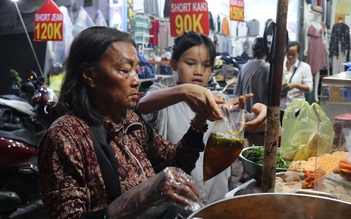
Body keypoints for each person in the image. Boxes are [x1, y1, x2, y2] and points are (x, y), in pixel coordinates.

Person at [37, 26, 225, 219]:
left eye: (136, 70)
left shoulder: (131, 122)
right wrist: (144, 196)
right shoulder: (65, 137)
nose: (136, 81)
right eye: (125, 70)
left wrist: (200, 119)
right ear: (89, 74)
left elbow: (176, 161)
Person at [136, 31, 267, 203]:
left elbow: (244, 117)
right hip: (175, 201)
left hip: (216, 197)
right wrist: (184, 91)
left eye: (206, 65)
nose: (199, 71)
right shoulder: (163, 97)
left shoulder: (219, 100)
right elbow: (143, 105)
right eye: (190, 63)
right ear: (174, 64)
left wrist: (260, 114)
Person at [234, 36, 270, 147]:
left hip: (246, 117)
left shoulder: (244, 67)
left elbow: (237, 93)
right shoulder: (268, 68)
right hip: (261, 118)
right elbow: (272, 94)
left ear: (253, 51)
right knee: (260, 153)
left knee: (249, 149)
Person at [280, 41, 313, 124]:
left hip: (297, 108)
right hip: (281, 107)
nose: (290, 57)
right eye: (288, 54)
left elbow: (309, 88)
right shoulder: (280, 66)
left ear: (298, 53)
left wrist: (295, 85)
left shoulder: (304, 67)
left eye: (293, 54)